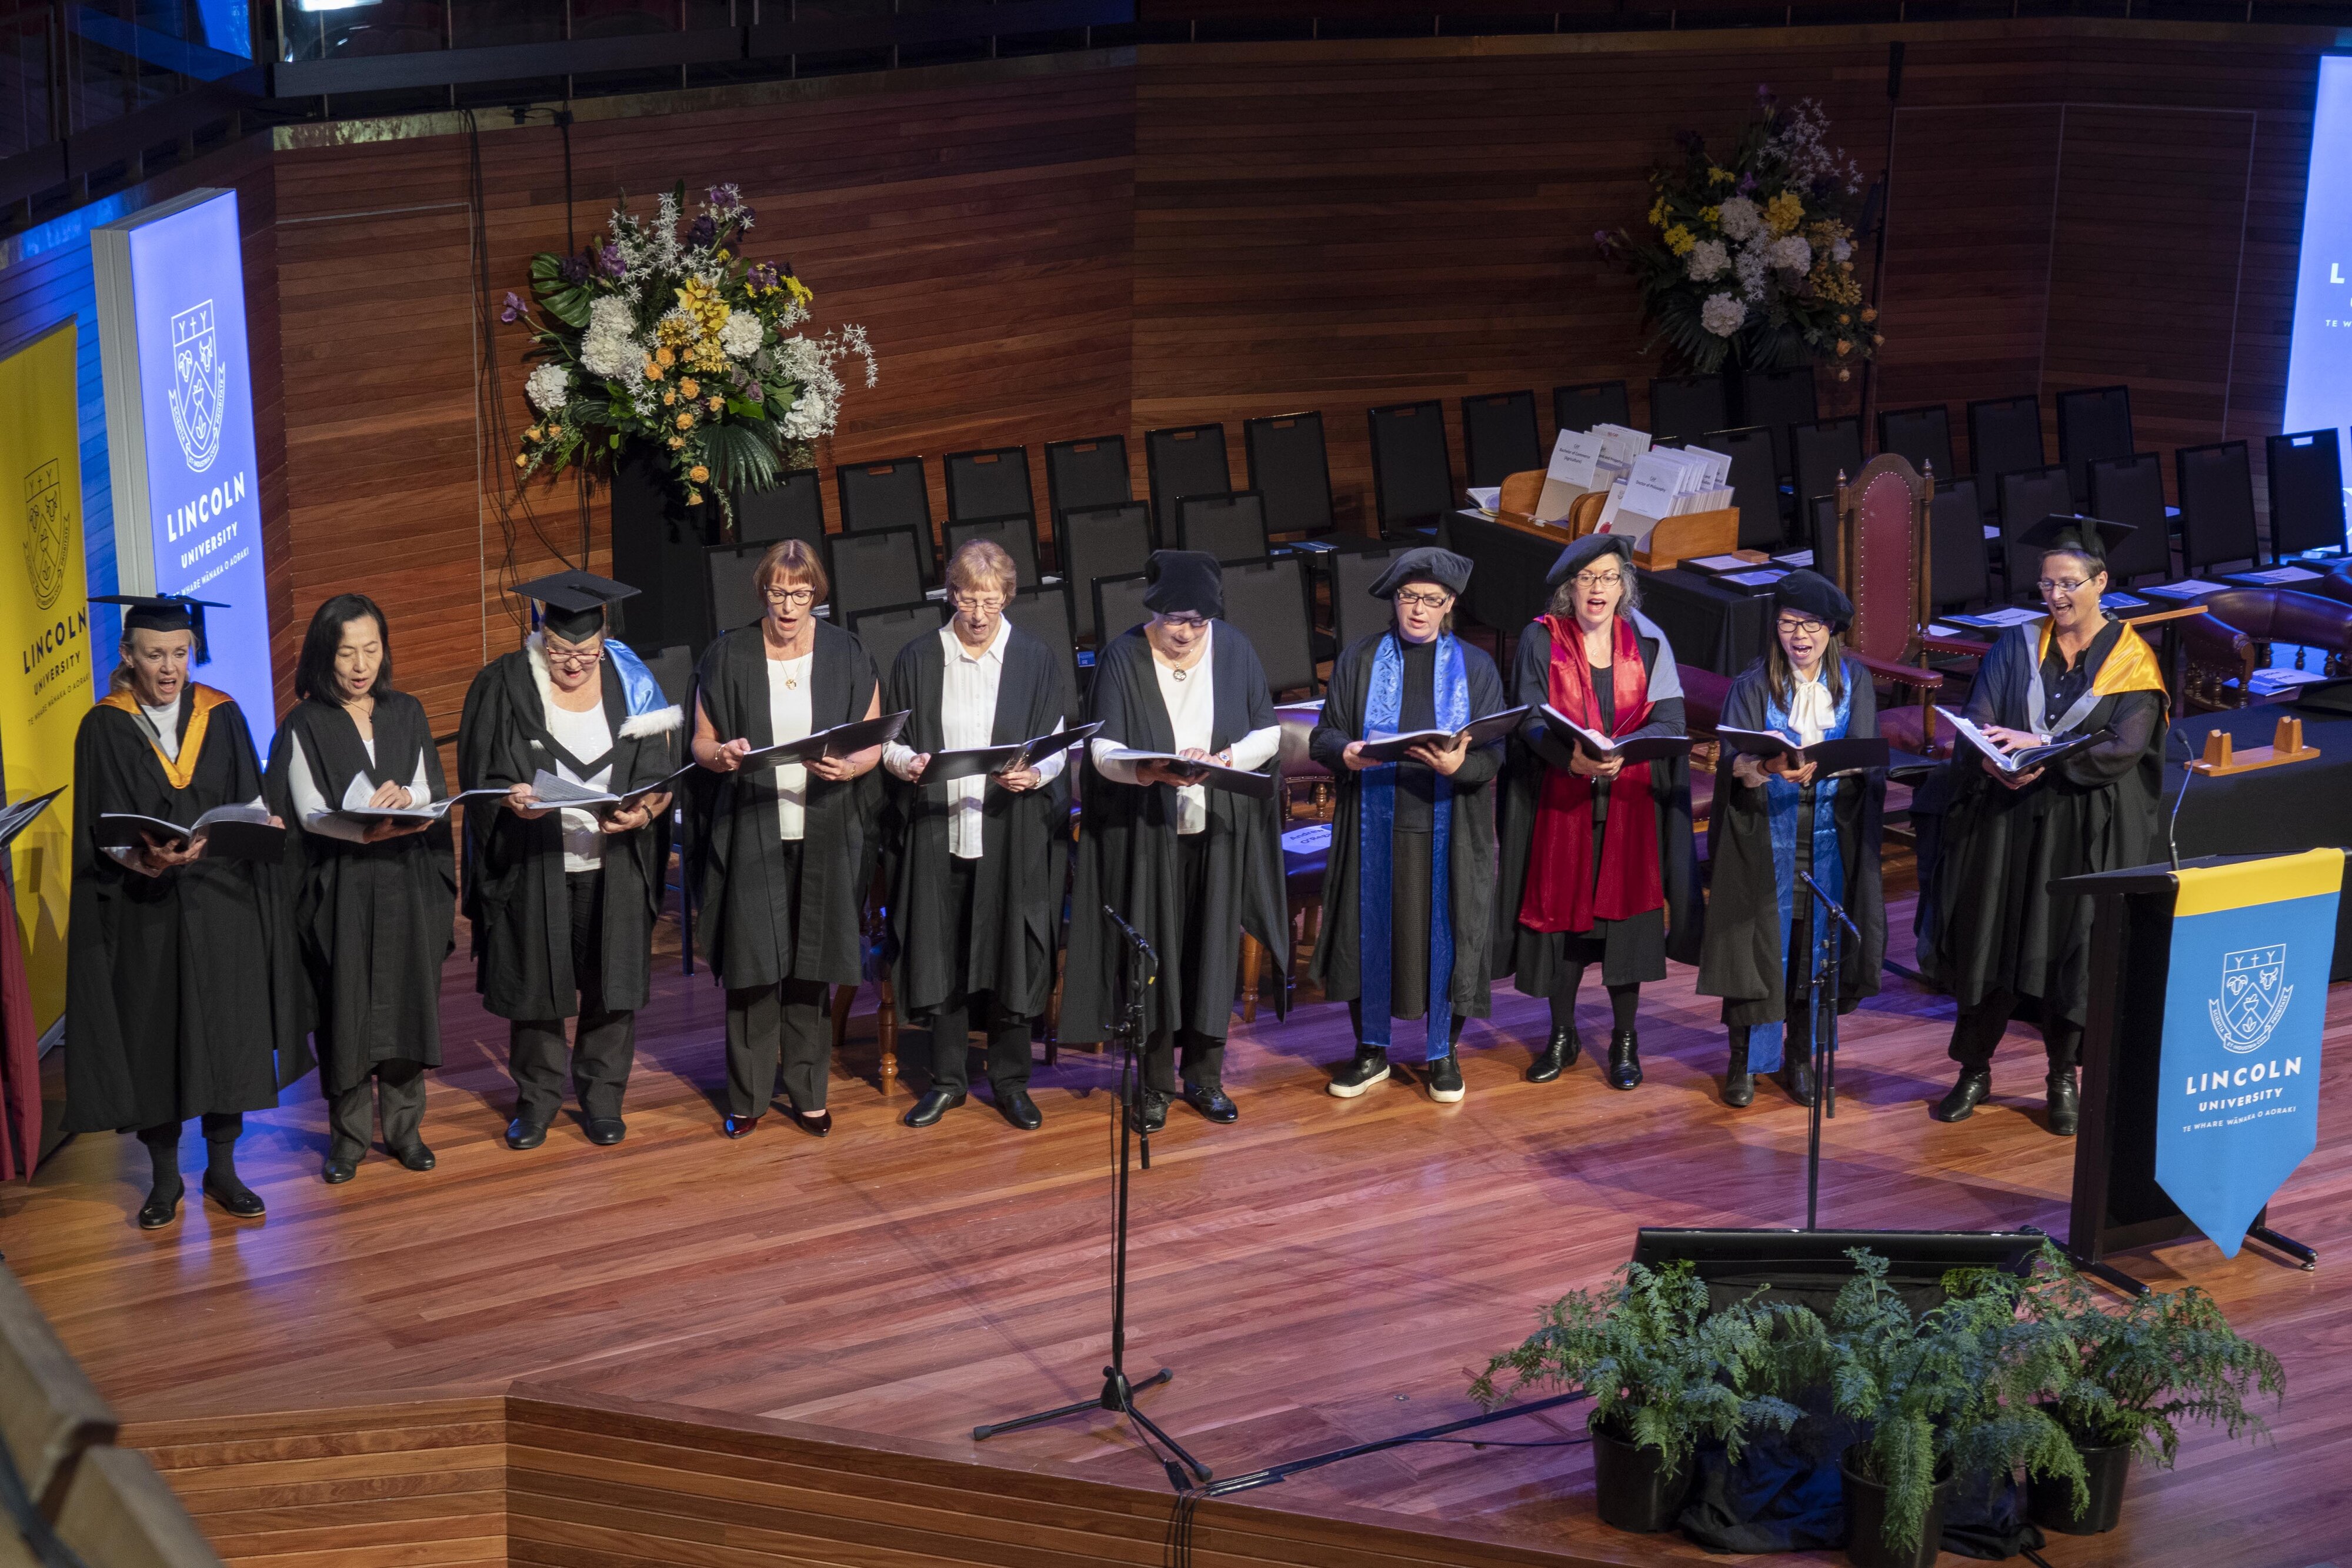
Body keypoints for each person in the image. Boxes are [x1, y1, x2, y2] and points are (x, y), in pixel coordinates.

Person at [65, 594, 305, 1229]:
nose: (169, 668)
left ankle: (223, 1169)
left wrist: (264, 821)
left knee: (227, 1031)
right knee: (156, 1037)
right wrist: (140, 860)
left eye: (180, 652)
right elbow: (101, 827)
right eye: (154, 655)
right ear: (128, 656)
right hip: (146, 910)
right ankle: (165, 1179)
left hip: (220, 899)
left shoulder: (222, 713)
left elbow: (250, 800)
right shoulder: (104, 725)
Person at [1922, 515, 2166, 1136]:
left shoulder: (2132, 661)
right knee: (1992, 940)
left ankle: (2062, 1075)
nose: (2055, 597)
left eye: (2068, 584)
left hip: (2082, 828)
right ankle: (1973, 1069)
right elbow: (1980, 715)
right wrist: (1993, 758)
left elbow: (2126, 745)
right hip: (2009, 821)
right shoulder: (2016, 646)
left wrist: (2043, 744)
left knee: (2069, 951)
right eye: (2046, 585)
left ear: (2101, 582)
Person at [1060, 551, 1288, 1131]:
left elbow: (1269, 729)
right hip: (1150, 832)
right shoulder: (1122, 656)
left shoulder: (1233, 648)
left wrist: (1225, 759)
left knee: (1211, 950)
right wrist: (1147, 770)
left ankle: (1206, 1077)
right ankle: (1155, 1081)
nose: (1185, 632)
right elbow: (1102, 750)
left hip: (1215, 830)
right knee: (1156, 956)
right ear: (1154, 611)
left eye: (1197, 621)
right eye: (1174, 620)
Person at [458, 571, 680, 1151]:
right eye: (561, 652)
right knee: (537, 984)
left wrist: (647, 813)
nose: (574, 663)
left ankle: (604, 1097)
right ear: (540, 635)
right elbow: (481, 776)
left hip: (615, 860)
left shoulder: (634, 683)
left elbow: (660, 775)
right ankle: (536, 1102)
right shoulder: (503, 685)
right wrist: (511, 800)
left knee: (612, 984)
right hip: (537, 860)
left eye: (586, 651)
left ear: (603, 640)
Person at [689, 539, 885, 1140]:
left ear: (815, 594)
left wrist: (853, 767)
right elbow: (701, 740)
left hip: (825, 827)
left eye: (800, 593)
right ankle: (748, 1095)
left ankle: (808, 1091)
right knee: (753, 967)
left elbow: (876, 737)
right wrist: (721, 755)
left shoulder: (847, 651)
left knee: (811, 965)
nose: (789, 604)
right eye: (779, 592)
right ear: (763, 592)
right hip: (752, 826)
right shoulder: (729, 655)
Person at [1493, 535, 1702, 1090]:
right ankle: (1561, 1035)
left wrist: (1625, 752)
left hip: (1629, 804)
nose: (1598, 589)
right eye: (1587, 578)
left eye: (1609, 578)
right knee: (1565, 926)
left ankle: (1625, 1041)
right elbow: (1529, 718)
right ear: (1570, 587)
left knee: (1625, 929)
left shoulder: (1649, 640)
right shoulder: (1542, 638)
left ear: (1623, 586)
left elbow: (1671, 718)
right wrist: (1573, 758)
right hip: (1564, 801)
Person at [266, 595, 457, 1182]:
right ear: (325, 653)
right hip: (343, 886)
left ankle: (405, 1130)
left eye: (371, 648)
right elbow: (307, 810)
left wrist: (409, 800)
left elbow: (431, 790)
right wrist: (359, 824)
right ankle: (347, 1139)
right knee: (345, 1011)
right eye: (347, 650)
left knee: (405, 1004)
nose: (360, 663)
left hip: (404, 879)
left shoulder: (407, 712)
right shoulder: (304, 723)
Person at [1308, 547, 1509, 1103]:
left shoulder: (1475, 666)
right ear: (1394, 601)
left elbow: (1493, 756)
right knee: (1365, 933)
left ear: (1450, 606)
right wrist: (1345, 753)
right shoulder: (1361, 660)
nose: (1418, 609)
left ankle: (1442, 1054)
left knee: (1450, 935)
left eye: (1431, 600)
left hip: (1449, 827)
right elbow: (1323, 736)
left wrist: (1459, 766)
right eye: (1408, 597)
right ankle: (1370, 1052)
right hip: (1374, 825)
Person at [882, 541, 1070, 1132]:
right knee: (944, 953)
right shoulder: (918, 657)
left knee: (1010, 953)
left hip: (1009, 834)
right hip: (941, 832)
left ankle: (1011, 1081)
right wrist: (906, 763)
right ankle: (946, 1080)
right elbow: (888, 741)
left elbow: (1061, 744)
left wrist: (1037, 771)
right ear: (950, 593)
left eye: (990, 600)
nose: (979, 613)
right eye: (967, 598)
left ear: (1008, 597)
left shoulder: (1034, 659)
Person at [1695, 571, 1886, 1109]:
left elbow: (1868, 758)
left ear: (1831, 630)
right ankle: (1745, 1060)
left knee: (1812, 949)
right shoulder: (1753, 683)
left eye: (1810, 625)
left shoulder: (1855, 681)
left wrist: (1826, 765)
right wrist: (1765, 765)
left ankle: (1801, 1055)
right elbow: (1733, 764)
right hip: (1765, 834)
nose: (1798, 635)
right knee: (1756, 949)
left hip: (1831, 838)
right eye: (1786, 624)